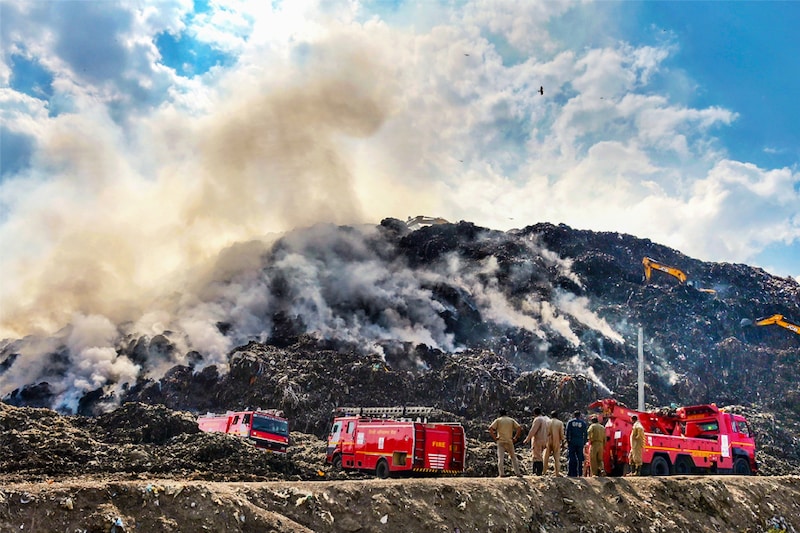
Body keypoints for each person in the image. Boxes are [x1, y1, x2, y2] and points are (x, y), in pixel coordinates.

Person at [488, 409, 523, 477]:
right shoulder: (511, 420)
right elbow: (519, 428)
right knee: (513, 457)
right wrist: (515, 437)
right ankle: (517, 473)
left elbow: (490, 428)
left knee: (500, 457)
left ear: (500, 414)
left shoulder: (498, 420)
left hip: (500, 441)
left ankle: (501, 473)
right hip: (509, 441)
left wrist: (495, 438)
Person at [523, 407, 549, 475]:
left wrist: (527, 439)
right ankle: (539, 471)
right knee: (541, 456)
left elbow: (533, 430)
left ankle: (537, 472)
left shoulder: (537, 419)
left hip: (538, 440)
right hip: (545, 440)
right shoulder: (546, 419)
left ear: (534, 413)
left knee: (536, 456)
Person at [565, 410, 588, 477]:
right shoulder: (583, 423)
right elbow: (585, 434)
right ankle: (580, 473)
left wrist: (568, 441)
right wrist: (584, 442)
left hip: (572, 442)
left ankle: (571, 473)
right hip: (580, 442)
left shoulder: (570, 422)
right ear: (580, 415)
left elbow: (567, 432)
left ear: (574, 415)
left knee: (571, 457)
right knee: (580, 458)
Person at [543, 410, 565, 476]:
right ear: (557, 416)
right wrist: (563, 441)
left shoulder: (547, 422)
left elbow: (545, 432)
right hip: (556, 440)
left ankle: (544, 471)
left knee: (545, 457)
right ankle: (557, 473)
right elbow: (561, 433)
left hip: (548, 440)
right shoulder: (560, 423)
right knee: (556, 458)